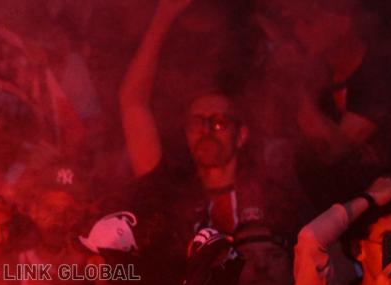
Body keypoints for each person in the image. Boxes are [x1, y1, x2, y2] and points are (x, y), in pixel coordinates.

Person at [119, 0, 300, 260]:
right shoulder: (172, 191)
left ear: (242, 136)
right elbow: (132, 102)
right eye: (197, 123)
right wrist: (163, 16)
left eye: (219, 123)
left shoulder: (270, 190)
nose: (206, 131)